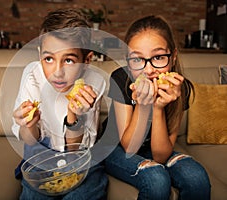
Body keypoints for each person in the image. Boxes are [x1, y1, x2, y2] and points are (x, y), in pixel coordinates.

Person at [103, 15, 211, 200]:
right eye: (137, 59)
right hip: (115, 146)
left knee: (196, 179)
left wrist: (158, 107)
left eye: (159, 57)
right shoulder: (121, 79)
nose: (149, 70)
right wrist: (144, 106)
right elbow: (130, 147)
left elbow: (160, 156)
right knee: (156, 179)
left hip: (153, 147)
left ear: (173, 56)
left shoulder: (181, 88)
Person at [12, 8, 108, 200]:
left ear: (87, 61)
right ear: (40, 55)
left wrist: (75, 117)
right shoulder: (32, 75)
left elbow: (77, 150)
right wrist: (28, 124)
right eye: (49, 59)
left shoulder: (95, 83)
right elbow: (29, 139)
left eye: (69, 60)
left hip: (80, 159)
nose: (57, 72)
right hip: (39, 156)